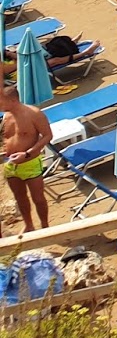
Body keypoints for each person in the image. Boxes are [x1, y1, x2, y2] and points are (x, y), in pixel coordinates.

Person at [0, 85, 51, 232]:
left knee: (38, 198)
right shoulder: (6, 116)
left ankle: (45, 226)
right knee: (20, 197)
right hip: (10, 163)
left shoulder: (34, 114)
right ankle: (29, 225)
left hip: (30, 162)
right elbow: (7, 138)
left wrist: (28, 153)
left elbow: (48, 135)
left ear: (13, 100)